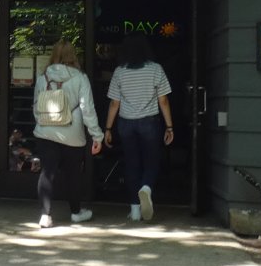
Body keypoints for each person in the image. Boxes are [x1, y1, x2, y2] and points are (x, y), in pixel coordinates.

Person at [31, 39, 104, 228]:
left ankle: (45, 215)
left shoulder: (43, 77)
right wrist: (97, 135)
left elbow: (36, 105)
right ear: (73, 55)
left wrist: (42, 122)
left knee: (47, 172)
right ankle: (76, 212)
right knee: (73, 175)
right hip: (72, 134)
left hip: (45, 132)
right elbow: (87, 109)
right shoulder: (80, 77)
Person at [103, 34, 174, 222]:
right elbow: (164, 101)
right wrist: (169, 126)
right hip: (149, 122)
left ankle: (134, 210)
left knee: (132, 163)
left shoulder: (120, 71)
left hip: (126, 123)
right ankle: (146, 187)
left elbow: (114, 104)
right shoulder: (155, 69)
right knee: (152, 160)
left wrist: (108, 129)